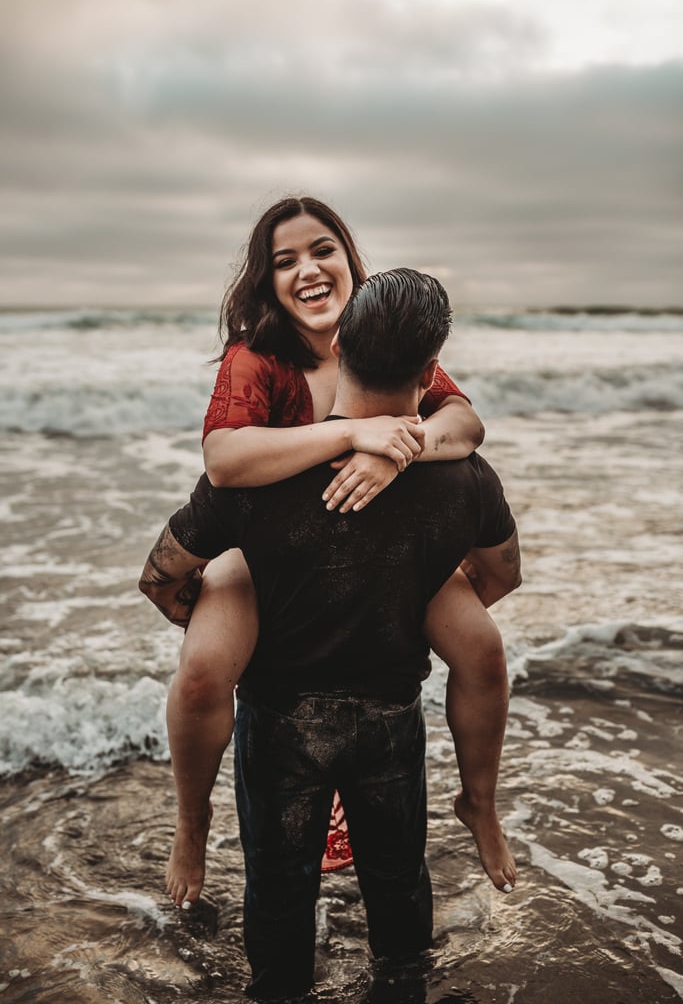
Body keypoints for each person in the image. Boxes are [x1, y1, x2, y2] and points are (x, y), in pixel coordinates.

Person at [139, 268, 521, 1000]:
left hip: (281, 720)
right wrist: (409, 589)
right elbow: (499, 576)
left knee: (278, 900)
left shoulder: (254, 483)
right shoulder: (468, 480)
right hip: (388, 717)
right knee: (399, 900)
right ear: (433, 365)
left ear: (339, 342)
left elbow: (160, 578)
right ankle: (415, 954)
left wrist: (227, 606)